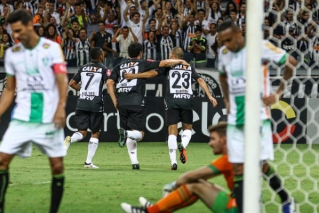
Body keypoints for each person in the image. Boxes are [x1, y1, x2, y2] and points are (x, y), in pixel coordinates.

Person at [217, 20, 297, 213]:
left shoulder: (259, 47)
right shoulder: (224, 53)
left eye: (229, 40)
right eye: (223, 41)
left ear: (239, 34)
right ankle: (246, 206)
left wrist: (278, 93)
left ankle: (286, 199)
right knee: (237, 166)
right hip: (236, 117)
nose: (226, 45)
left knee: (259, 164)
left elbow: (291, 63)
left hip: (258, 116)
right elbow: (222, 75)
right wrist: (227, 100)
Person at [0, 9, 68, 213]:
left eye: (19, 30)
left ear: (30, 25)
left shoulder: (52, 49)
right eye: (13, 32)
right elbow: (10, 89)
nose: (16, 36)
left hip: (49, 118)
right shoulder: (12, 54)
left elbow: (62, 81)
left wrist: (60, 108)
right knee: (1, 160)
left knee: (57, 166)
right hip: (22, 118)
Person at [124, 47, 217, 170]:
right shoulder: (188, 66)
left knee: (172, 132)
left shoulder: (168, 66)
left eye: (170, 54)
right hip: (186, 100)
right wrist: (210, 95)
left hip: (172, 100)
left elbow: (153, 74)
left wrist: (135, 76)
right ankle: (182, 145)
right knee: (188, 128)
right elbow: (200, 79)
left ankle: (174, 162)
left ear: (172, 55)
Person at [106, 42, 190, 170]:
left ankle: (134, 163)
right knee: (138, 134)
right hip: (136, 100)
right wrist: (180, 61)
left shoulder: (119, 66)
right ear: (140, 53)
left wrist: (114, 101)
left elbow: (109, 82)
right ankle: (126, 134)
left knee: (130, 131)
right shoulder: (142, 63)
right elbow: (164, 63)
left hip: (121, 101)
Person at [120, 122, 238, 213]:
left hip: (238, 208)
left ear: (223, 140)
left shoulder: (229, 159)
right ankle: (156, 209)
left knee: (195, 184)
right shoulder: (237, 155)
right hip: (240, 202)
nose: (210, 143)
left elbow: (191, 176)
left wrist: (174, 185)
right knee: (199, 184)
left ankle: (152, 211)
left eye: (213, 139)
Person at [64, 47, 109, 169]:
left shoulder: (83, 68)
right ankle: (88, 162)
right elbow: (110, 82)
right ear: (100, 56)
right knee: (95, 132)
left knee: (82, 132)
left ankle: (70, 139)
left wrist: (83, 90)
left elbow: (72, 83)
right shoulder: (103, 69)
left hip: (82, 102)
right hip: (95, 103)